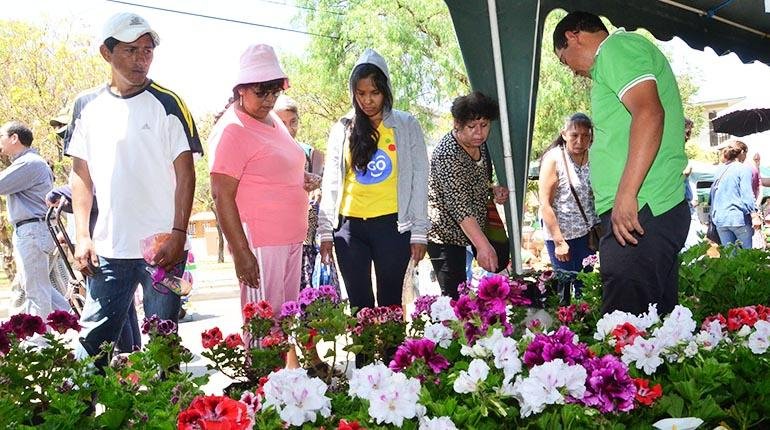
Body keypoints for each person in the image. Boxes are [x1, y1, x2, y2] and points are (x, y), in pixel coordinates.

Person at [66, 12, 201, 365]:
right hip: (109, 250)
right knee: (93, 343)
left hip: (164, 250)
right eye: (131, 50)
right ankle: (83, 402)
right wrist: (82, 236)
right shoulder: (86, 106)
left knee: (163, 344)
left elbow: (186, 174)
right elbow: (80, 174)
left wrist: (178, 233)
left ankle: (167, 401)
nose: (141, 59)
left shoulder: (169, 103)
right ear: (106, 52)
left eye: (147, 50)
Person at [553, 11, 689, 316]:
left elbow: (649, 113)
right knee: (653, 327)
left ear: (573, 36)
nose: (571, 71)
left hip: (641, 208)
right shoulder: (613, 61)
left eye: (564, 60)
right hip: (646, 210)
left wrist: (627, 194)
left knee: (622, 328)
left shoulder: (615, 48)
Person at [209, 44, 317, 367]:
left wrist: (302, 177)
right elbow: (220, 195)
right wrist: (242, 252)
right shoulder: (232, 129)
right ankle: (261, 387)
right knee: (263, 326)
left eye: (274, 91)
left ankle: (281, 388)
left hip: (291, 238)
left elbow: (275, 165)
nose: (269, 100)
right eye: (261, 92)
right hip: (260, 243)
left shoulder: (273, 120)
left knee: (284, 321)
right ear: (241, 89)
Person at [318, 48, 429, 315]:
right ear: (353, 92)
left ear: (386, 90)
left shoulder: (406, 125)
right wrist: (325, 230)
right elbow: (331, 180)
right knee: (360, 307)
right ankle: (364, 345)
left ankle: (392, 346)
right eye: (361, 93)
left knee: (391, 305)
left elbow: (419, 178)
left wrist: (419, 231)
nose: (367, 101)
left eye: (374, 93)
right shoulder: (343, 127)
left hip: (392, 227)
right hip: (349, 229)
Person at [427, 91, 507, 299]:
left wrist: (493, 189)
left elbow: (476, 180)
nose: (479, 133)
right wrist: (483, 246)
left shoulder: (481, 145)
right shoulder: (447, 154)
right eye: (472, 126)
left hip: (474, 230)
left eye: (484, 125)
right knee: (454, 299)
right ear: (457, 124)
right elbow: (459, 205)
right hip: (445, 236)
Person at [0, 121, 69, 319]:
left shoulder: (29, 162)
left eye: (1, 136)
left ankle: (42, 337)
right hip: (34, 230)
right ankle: (74, 322)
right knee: (37, 286)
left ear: (14, 138)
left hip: (32, 231)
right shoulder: (30, 162)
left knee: (36, 292)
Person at [538, 113, 598, 304]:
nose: (580, 141)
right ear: (564, 134)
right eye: (574, 135)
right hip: (562, 236)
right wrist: (559, 242)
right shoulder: (554, 159)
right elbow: (545, 204)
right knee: (564, 290)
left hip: (588, 236)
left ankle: (583, 319)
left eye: (585, 136)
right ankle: (563, 321)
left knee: (585, 286)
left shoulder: (595, 156)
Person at [273, 95, 325, 291]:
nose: (289, 128)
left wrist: (317, 183)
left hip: (308, 239)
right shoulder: (266, 153)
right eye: (282, 123)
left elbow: (319, 183)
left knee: (312, 296)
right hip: (277, 237)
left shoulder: (312, 154)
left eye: (293, 122)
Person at [710, 143, 758, 249]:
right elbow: (747, 194)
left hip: (720, 219)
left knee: (730, 256)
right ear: (742, 152)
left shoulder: (719, 170)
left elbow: (713, 195)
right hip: (738, 218)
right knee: (747, 255)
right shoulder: (743, 169)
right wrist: (754, 215)